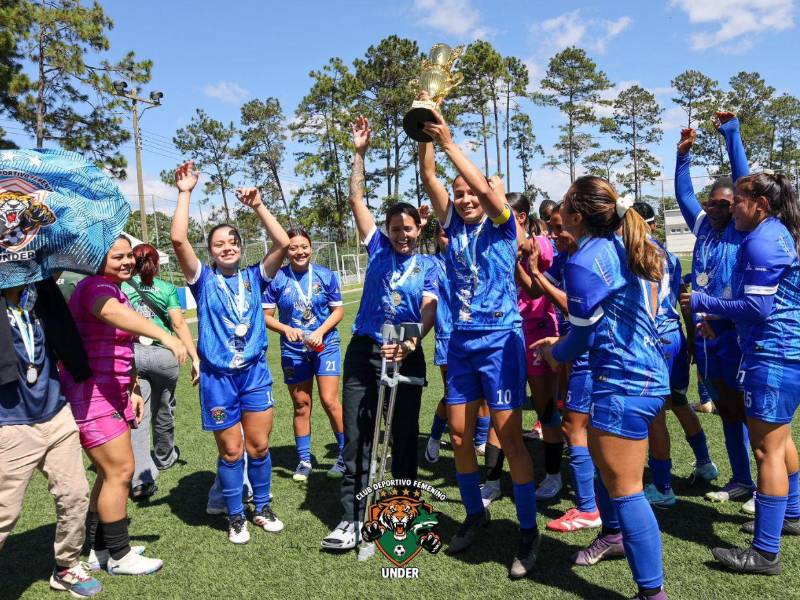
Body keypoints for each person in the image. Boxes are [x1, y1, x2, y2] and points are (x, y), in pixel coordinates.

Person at [533, 177, 670, 599]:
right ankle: (612, 535)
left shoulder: (583, 260)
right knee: (608, 468)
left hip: (622, 381)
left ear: (576, 215)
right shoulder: (621, 244)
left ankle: (652, 594)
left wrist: (555, 351)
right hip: (644, 375)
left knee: (627, 490)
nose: (557, 218)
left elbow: (581, 338)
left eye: (564, 208)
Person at [420, 107, 540, 579]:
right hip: (461, 345)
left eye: (473, 193)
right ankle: (475, 514)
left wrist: (451, 142)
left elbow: (490, 194)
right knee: (457, 436)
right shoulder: (451, 227)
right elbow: (428, 173)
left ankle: (528, 531)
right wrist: (424, 122)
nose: (466, 199)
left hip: (500, 343)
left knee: (510, 438)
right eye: (460, 194)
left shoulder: (502, 225)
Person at [321, 116, 437, 551]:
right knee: (358, 434)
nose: (402, 235)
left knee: (404, 435)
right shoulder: (377, 249)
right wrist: (358, 153)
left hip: (407, 353)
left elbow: (429, 309)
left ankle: (401, 512)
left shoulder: (430, 266)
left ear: (419, 228)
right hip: (364, 351)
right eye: (395, 229)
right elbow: (356, 197)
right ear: (386, 231)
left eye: (408, 228)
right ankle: (351, 517)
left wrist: (411, 342)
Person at [681, 172, 800, 575]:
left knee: (766, 450)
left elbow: (759, 308)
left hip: (773, 354)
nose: (733, 207)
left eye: (740, 201)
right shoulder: (776, 230)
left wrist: (703, 300)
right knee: (780, 441)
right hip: (781, 352)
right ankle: (793, 515)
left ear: (760, 205)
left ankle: (765, 552)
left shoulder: (761, 239)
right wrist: (721, 319)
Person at [170, 161, 289, 544]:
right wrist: (185, 193)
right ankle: (235, 515)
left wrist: (258, 205)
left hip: (254, 374)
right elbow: (178, 241)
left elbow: (283, 244)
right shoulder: (202, 280)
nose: (227, 247)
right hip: (218, 379)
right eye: (218, 243)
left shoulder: (256, 276)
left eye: (232, 242)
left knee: (259, 446)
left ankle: (263, 507)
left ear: (240, 246)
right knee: (232, 452)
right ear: (211, 251)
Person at [63, 236, 187, 575]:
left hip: (112, 392)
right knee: (120, 471)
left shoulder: (115, 287)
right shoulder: (94, 287)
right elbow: (112, 314)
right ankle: (119, 555)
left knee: (109, 474)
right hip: (92, 396)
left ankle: (99, 549)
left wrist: (132, 386)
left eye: (128, 255)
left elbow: (121, 346)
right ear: (96, 261)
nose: (126, 262)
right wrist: (165, 335)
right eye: (116, 257)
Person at [0, 279, 102, 597]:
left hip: (56, 414)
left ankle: (67, 566)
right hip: (11, 425)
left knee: (75, 494)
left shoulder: (41, 294)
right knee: (5, 511)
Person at [675, 114, 756, 511]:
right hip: (707, 335)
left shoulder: (744, 229)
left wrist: (731, 134)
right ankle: (741, 479)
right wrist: (682, 159)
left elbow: (745, 181)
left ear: (738, 203)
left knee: (751, 414)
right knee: (725, 410)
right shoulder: (705, 226)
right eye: (713, 204)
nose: (717, 208)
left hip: (736, 332)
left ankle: (770, 488)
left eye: (726, 203)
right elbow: (684, 196)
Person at [631, 202, 718, 509]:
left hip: (653, 340)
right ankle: (705, 463)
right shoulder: (667, 253)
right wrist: (691, 336)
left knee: (655, 414)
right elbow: (681, 297)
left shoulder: (635, 254)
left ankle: (663, 486)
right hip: (675, 337)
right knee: (679, 402)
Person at [263, 228, 346, 481]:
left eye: (304, 247)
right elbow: (266, 316)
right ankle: (304, 460)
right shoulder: (276, 279)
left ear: (311, 248)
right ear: (286, 251)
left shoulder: (325, 275)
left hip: (325, 345)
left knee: (330, 400)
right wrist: (287, 328)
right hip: (294, 350)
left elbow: (338, 311)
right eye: (293, 247)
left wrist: (320, 331)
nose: (299, 251)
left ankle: (344, 455)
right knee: (301, 405)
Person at [122, 243, 200, 500]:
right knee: (165, 408)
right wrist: (194, 357)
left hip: (133, 355)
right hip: (165, 355)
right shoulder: (166, 288)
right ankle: (165, 456)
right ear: (156, 264)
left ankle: (142, 476)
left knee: (138, 413)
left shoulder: (122, 286)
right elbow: (178, 324)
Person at [511, 193, 563, 501]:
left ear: (520, 216)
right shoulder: (500, 244)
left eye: (504, 213)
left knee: (546, 408)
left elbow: (532, 292)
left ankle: (555, 475)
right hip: (510, 332)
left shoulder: (539, 243)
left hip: (538, 330)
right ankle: (495, 476)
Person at [425, 224, 453, 464]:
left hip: (475, 335)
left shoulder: (470, 258)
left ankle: (481, 439)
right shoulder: (431, 264)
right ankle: (434, 437)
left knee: (483, 393)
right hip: (447, 337)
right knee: (451, 393)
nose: (449, 239)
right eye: (445, 234)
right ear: (436, 237)